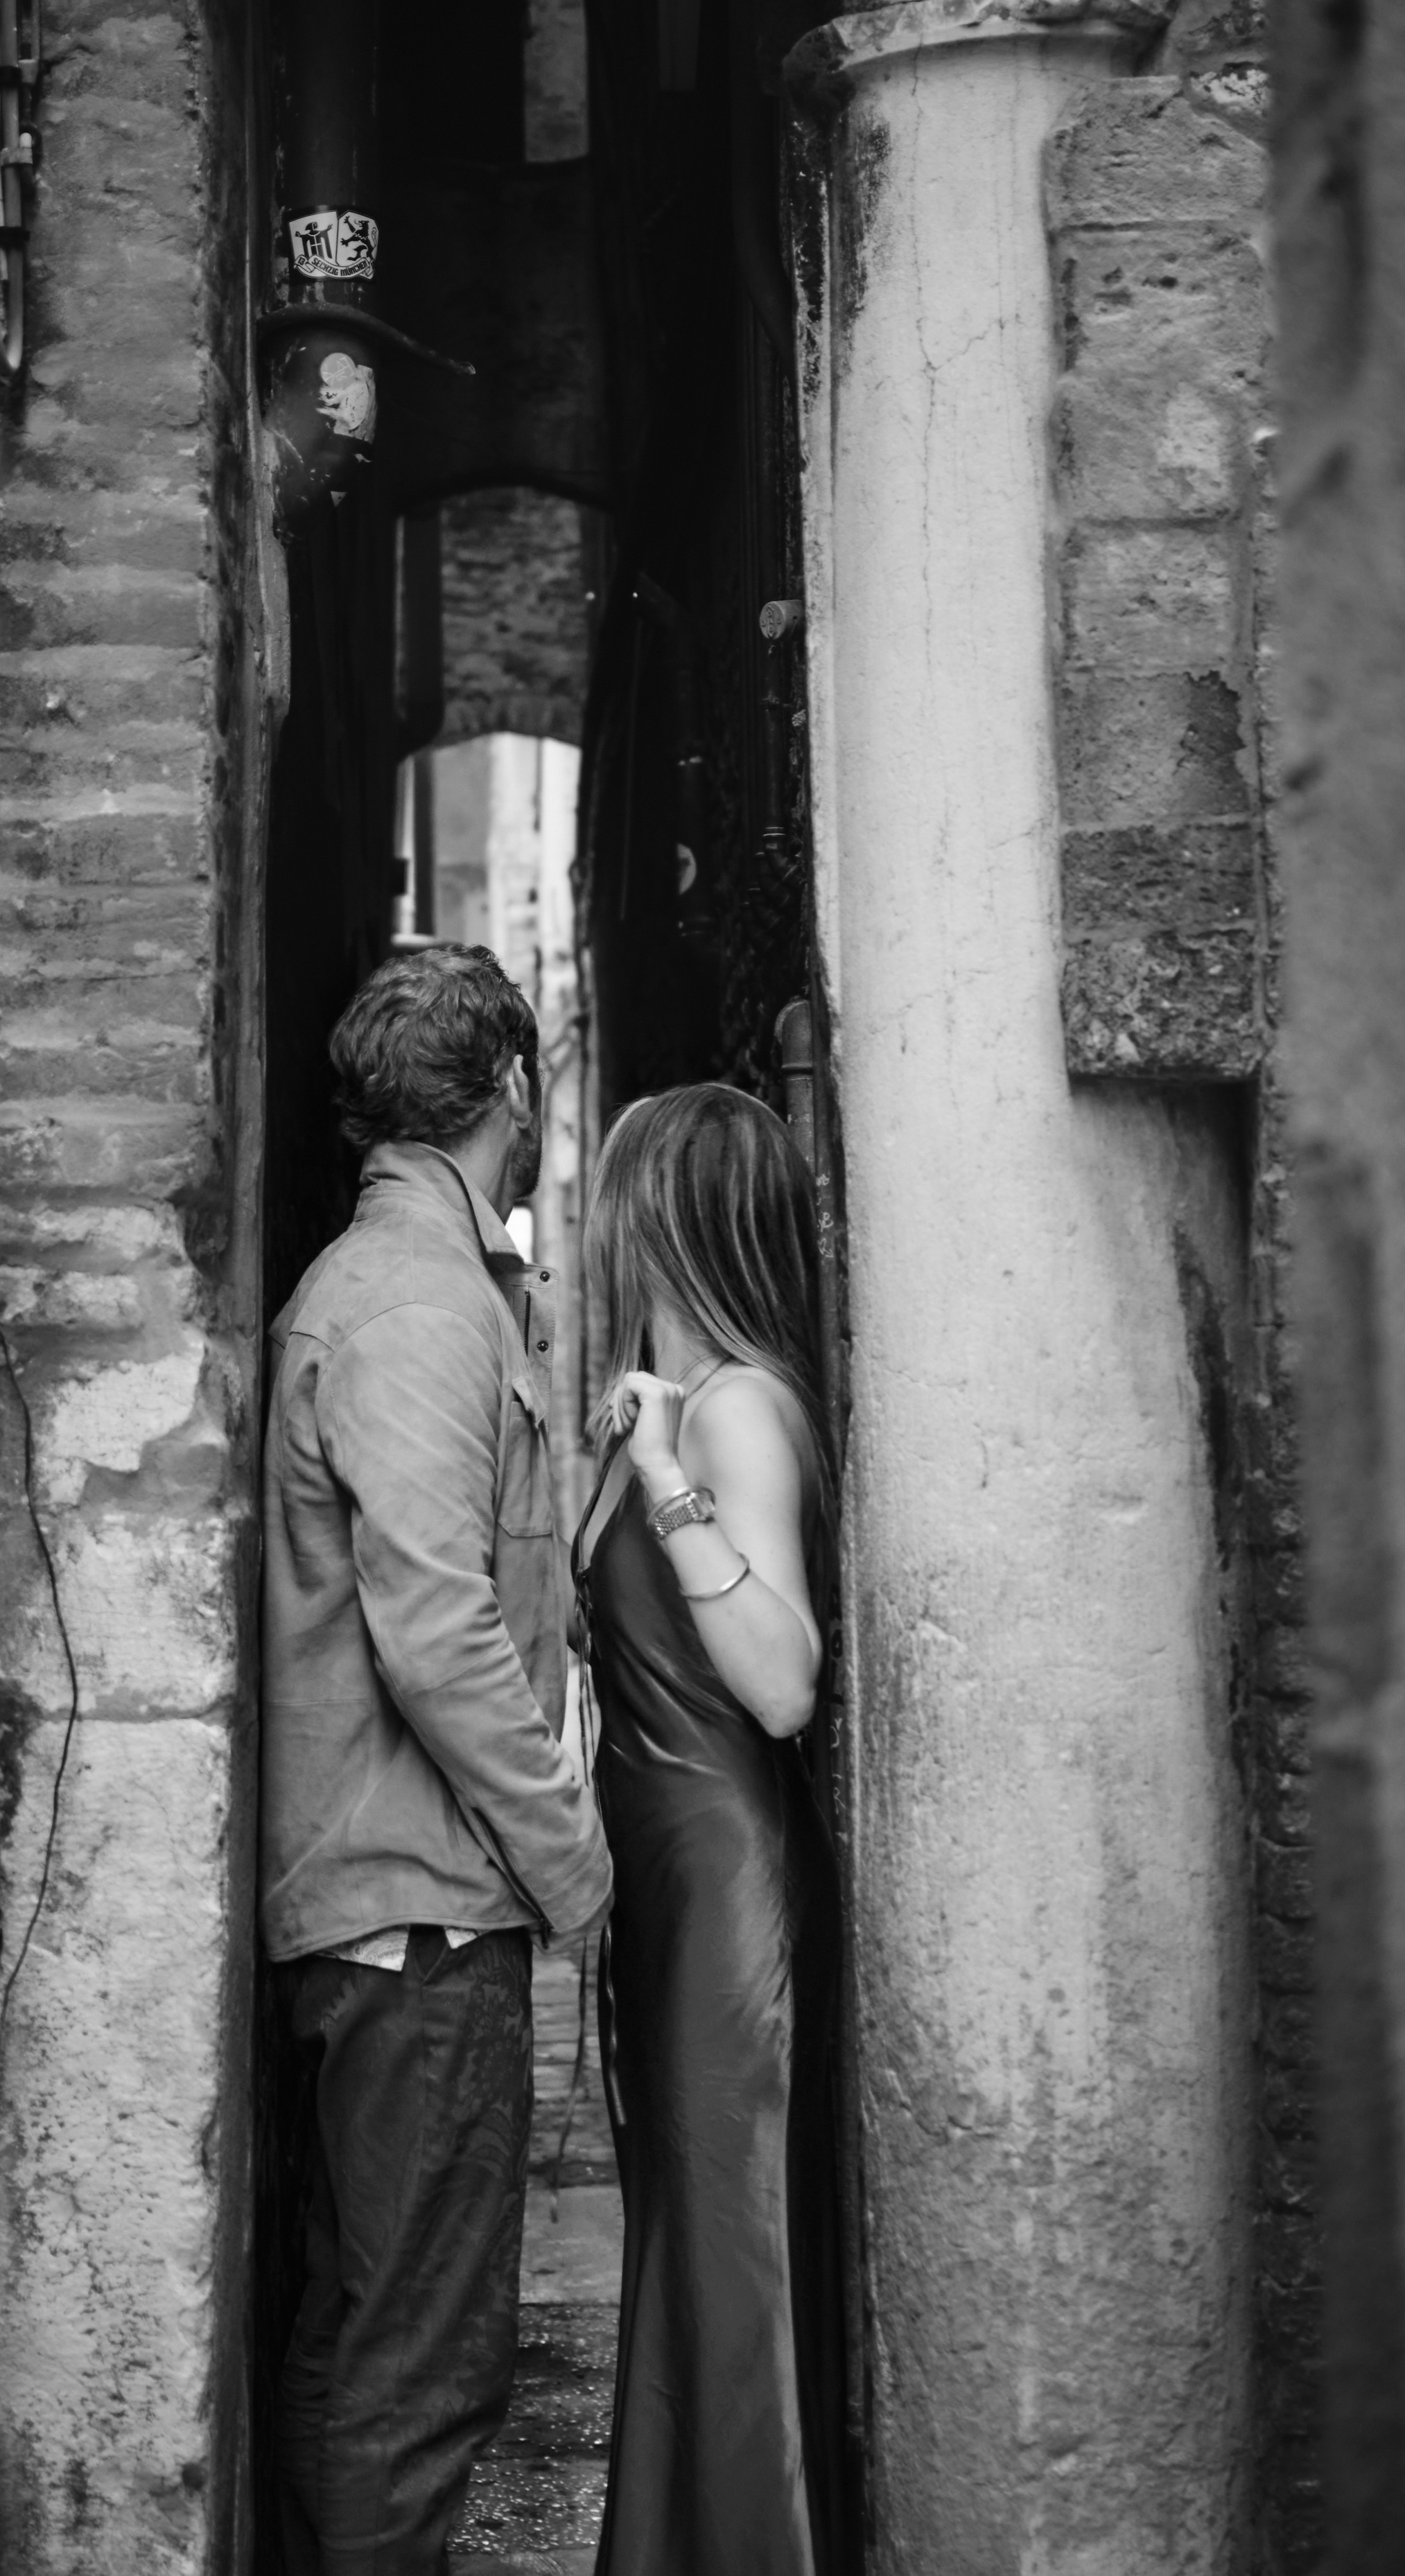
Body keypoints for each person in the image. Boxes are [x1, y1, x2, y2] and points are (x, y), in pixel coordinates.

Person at [261, 943, 613, 2575]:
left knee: (372, 2342)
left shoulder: (433, 1285)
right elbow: (438, 1635)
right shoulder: (413, 1304)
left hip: (399, 1907)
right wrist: (574, 1861)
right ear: (516, 1090)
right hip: (413, 1920)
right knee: (416, 2371)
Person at [573, 1082, 848, 2576]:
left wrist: (668, 1483)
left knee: (732, 2264)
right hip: (668, 1889)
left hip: (731, 1890)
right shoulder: (670, 1399)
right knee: (689, 2252)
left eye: (617, 1200)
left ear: (662, 1218)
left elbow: (784, 1680)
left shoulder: (736, 1407)